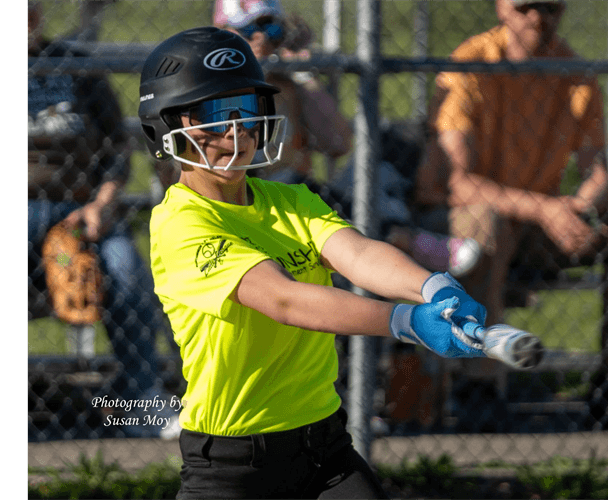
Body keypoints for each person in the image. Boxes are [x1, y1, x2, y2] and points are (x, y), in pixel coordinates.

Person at [139, 27, 506, 499]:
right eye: (213, 114)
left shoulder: (289, 200)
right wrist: (406, 321)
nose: (235, 131)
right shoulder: (180, 224)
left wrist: (433, 287)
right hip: (232, 467)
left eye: (246, 109)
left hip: (323, 453)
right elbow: (284, 300)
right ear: (166, 126)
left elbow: (358, 253)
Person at [414, 0, 608, 429]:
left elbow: (598, 173)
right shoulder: (471, 63)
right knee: (484, 224)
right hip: (468, 221)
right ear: (501, 7)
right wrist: (545, 208)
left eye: (549, 6)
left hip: (542, 223)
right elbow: (455, 182)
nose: (537, 18)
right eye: (525, 6)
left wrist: (580, 210)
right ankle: (480, 384)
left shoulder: (573, 71)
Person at [26, 1, 178, 439]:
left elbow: (116, 146)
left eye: (29, 10)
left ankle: (141, 397)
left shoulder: (74, 67)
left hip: (80, 208)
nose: (26, 20)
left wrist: (102, 204)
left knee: (126, 270)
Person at [212, 0, 353, 185]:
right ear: (222, 33)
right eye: (247, 29)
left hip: (288, 193)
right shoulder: (207, 89)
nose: (260, 37)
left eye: (270, 28)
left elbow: (338, 143)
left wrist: (301, 71)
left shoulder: (291, 86)